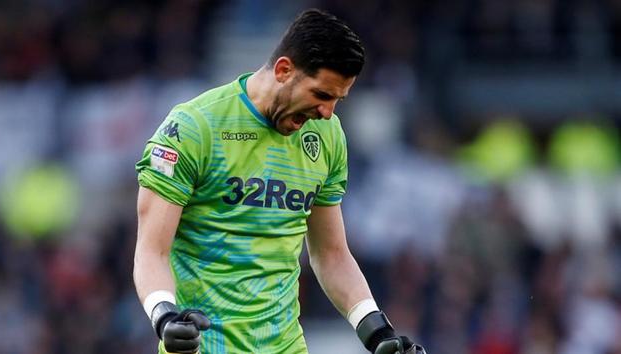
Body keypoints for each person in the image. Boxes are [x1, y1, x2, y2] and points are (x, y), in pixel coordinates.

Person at [133, 8, 427, 354]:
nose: (327, 112)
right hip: (203, 346)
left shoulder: (326, 136)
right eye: (321, 95)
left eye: (337, 99)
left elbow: (331, 254)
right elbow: (152, 250)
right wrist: (165, 316)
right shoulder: (194, 128)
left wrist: (376, 331)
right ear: (284, 70)